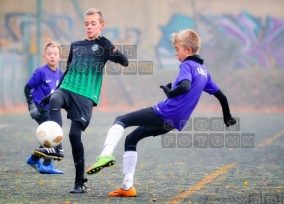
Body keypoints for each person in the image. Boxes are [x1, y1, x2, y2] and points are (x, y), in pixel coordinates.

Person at [86, 29, 237, 197]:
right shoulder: (204, 71)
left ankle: (105, 155)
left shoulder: (187, 65)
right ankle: (127, 187)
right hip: (173, 123)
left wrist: (171, 93)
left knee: (121, 119)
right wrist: (227, 116)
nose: (175, 53)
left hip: (164, 113)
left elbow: (185, 86)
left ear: (188, 50)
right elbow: (221, 95)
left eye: (177, 49)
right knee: (131, 139)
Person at [32, 8, 128, 193]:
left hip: (85, 96)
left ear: (101, 26)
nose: (89, 27)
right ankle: (56, 148)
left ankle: (79, 182)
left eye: (93, 24)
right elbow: (67, 70)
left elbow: (124, 62)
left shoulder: (104, 47)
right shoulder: (76, 45)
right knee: (55, 100)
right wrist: (55, 91)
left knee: (74, 136)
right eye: (86, 24)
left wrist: (111, 47)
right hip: (67, 89)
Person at [25, 40, 64, 174]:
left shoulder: (60, 74)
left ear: (59, 57)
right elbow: (28, 88)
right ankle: (47, 165)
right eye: (49, 54)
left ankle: (34, 159)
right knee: (53, 134)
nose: (52, 56)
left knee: (52, 134)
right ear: (45, 56)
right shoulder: (41, 72)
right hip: (39, 107)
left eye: (55, 54)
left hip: (51, 109)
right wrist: (31, 105)